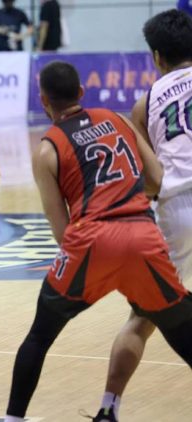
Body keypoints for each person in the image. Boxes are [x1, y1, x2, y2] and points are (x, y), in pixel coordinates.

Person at [4, 61, 192, 422]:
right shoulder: (118, 119)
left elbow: (61, 230)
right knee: (180, 330)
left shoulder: (47, 150)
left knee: (39, 336)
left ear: (44, 101)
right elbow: (156, 178)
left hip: (91, 241)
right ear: (81, 94)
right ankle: (109, 406)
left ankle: (13, 419)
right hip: (142, 237)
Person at [90, 10, 192, 422]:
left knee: (141, 317)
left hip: (176, 205)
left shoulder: (145, 103)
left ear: (155, 57)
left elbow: (148, 178)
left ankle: (108, 409)